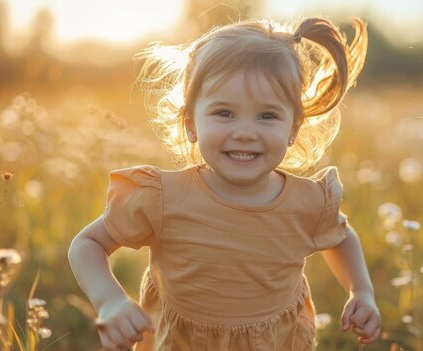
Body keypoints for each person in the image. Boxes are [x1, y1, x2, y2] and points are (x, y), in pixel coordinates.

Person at [68, 16, 380, 351]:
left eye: (267, 116)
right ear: (190, 122)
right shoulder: (163, 197)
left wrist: (360, 291)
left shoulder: (308, 201)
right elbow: (87, 245)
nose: (245, 132)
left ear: (293, 129)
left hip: (274, 342)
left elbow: (341, 237)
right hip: (183, 342)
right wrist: (110, 300)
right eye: (224, 113)